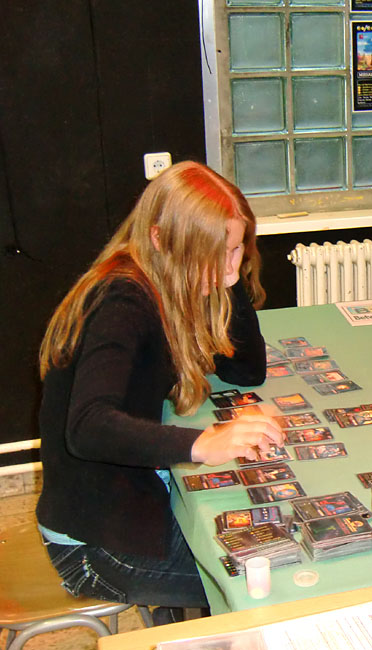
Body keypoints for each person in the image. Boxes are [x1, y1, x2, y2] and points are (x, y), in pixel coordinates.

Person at [36, 161, 285, 622]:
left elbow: (247, 370)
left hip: (133, 505)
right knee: (279, 574)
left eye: (237, 250)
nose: (232, 271)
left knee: (269, 541)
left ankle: (177, 619)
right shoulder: (122, 300)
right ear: (160, 239)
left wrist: (225, 278)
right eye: (216, 254)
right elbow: (88, 427)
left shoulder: (170, 279)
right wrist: (202, 443)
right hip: (95, 546)